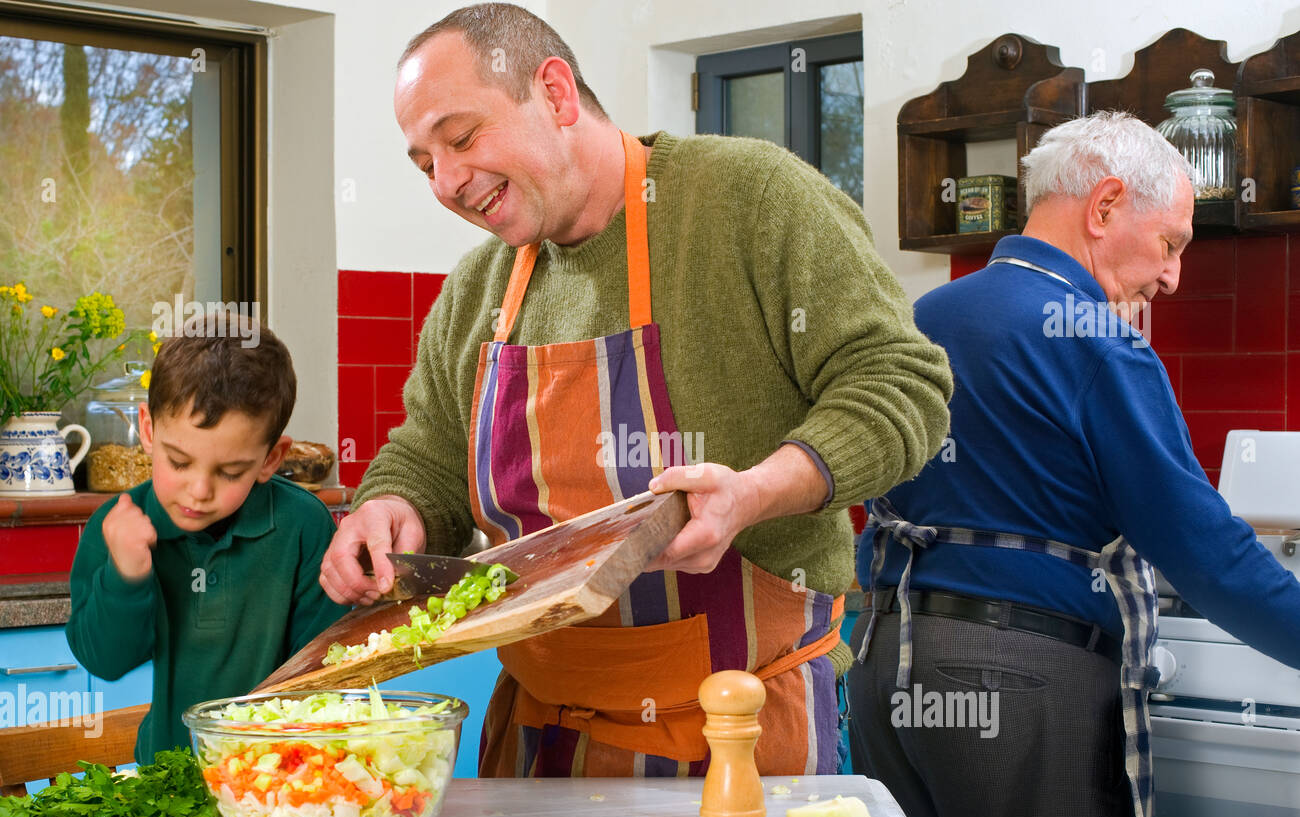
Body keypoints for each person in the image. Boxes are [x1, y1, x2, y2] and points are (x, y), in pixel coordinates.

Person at [319, 3, 953, 778]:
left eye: (461, 137)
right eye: (424, 162)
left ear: (555, 94)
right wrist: (393, 508)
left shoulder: (748, 201)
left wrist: (753, 492)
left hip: (740, 729)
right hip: (540, 742)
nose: (447, 181)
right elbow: (430, 453)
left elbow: (901, 380)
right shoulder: (477, 291)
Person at [848, 110, 1300, 817]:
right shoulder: (1096, 342)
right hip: (1018, 684)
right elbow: (1208, 552)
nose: (1172, 279)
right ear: (1104, 206)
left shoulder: (920, 320)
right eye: (1170, 245)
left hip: (888, 663)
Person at [67, 318, 348, 763]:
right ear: (148, 430)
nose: (199, 491)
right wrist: (127, 576)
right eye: (179, 462)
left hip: (281, 779)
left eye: (230, 472)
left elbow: (328, 670)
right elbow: (105, 660)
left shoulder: (302, 525)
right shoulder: (119, 526)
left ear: (271, 458)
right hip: (166, 780)